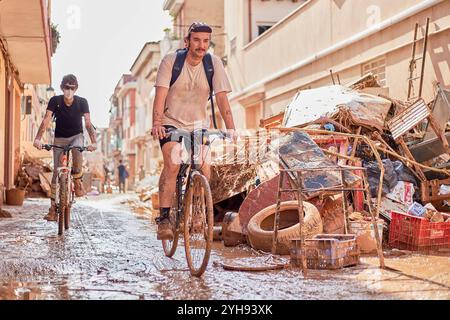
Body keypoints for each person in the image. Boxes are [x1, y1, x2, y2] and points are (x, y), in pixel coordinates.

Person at [151, 22, 237, 240]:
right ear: (187, 41)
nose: (201, 45)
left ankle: (197, 209)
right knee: (173, 163)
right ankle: (164, 218)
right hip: (171, 122)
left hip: (199, 125)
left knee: (204, 167)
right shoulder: (171, 61)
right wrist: (157, 123)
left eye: (206, 41)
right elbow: (160, 96)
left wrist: (232, 130)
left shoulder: (213, 64)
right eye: (197, 40)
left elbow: (223, 102)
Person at [33, 74, 97, 221]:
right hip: (59, 139)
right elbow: (46, 120)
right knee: (56, 173)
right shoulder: (55, 101)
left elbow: (87, 123)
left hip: (76, 136)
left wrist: (93, 142)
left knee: (77, 149)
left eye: (72, 88)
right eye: (66, 88)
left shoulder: (82, 102)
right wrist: (37, 139)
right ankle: (53, 209)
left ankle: (77, 179)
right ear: (62, 88)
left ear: (76, 89)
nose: (69, 91)